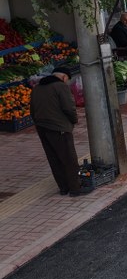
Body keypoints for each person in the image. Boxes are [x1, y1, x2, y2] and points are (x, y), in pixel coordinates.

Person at [29, 66, 83, 197]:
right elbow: (69, 108)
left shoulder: (36, 88)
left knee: (54, 159)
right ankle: (75, 189)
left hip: (42, 128)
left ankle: (63, 188)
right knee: (69, 159)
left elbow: (32, 110)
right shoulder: (61, 87)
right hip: (59, 128)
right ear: (64, 77)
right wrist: (74, 121)